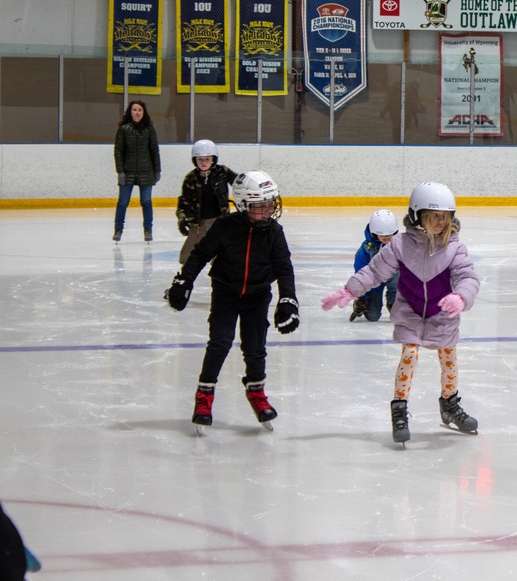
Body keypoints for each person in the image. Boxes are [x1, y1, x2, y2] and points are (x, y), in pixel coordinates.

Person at [321, 182, 480, 446]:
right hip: (410, 311)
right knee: (410, 354)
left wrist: (461, 297)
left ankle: (450, 406)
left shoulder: (455, 248)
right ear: (418, 215)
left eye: (446, 217)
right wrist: (350, 291)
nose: (441, 222)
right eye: (434, 216)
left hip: (442, 312)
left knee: (449, 359)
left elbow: (468, 277)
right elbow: (374, 272)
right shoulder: (400, 245)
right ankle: (400, 410)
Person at [167, 171, 299, 434]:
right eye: (261, 206)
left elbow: (284, 267)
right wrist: (184, 281)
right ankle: (204, 395)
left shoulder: (274, 232)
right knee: (220, 341)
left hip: (257, 295)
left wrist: (288, 299)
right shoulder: (225, 226)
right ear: (243, 205)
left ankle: (256, 392)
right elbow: (201, 253)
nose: (269, 210)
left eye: (271, 204)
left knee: (255, 345)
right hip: (226, 292)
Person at [174, 140, 237, 265]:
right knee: (187, 258)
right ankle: (186, 279)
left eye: (207, 159)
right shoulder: (191, 178)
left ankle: (220, 279)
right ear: (194, 160)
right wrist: (181, 219)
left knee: (220, 258)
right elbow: (183, 202)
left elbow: (240, 182)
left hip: (219, 222)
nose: (204, 162)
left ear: (213, 159)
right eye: (200, 159)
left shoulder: (222, 172)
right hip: (198, 224)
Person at [113, 100, 161, 242]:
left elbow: (154, 151)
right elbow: (118, 152)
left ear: (143, 113)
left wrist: (157, 170)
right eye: (134, 110)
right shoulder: (123, 129)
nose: (137, 112)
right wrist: (120, 171)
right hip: (127, 172)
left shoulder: (149, 130)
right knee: (122, 202)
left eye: (140, 110)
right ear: (130, 112)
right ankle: (118, 229)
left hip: (146, 171)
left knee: (146, 202)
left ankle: (147, 230)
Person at [349, 209, 400, 322]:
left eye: (389, 234)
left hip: (394, 281)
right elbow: (360, 273)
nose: (386, 238)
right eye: (382, 235)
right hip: (373, 283)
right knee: (372, 316)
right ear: (374, 233)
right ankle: (363, 303)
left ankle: (394, 303)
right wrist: (361, 296)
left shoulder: (399, 245)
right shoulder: (366, 250)